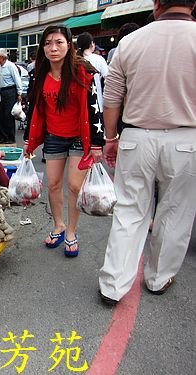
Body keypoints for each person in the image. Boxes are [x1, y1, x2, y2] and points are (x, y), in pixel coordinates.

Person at [98, 0, 196, 305]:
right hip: (187, 139)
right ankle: (157, 278)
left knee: (129, 212)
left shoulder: (131, 41)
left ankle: (112, 285)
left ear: (156, 5)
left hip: (136, 137)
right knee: (175, 213)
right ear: (192, 4)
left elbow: (112, 95)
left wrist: (110, 137)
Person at [24, 25, 105, 257]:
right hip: (53, 138)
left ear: (69, 45)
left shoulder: (83, 72)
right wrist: (29, 142)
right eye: (48, 43)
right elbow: (33, 109)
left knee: (74, 186)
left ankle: (71, 230)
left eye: (59, 42)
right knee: (54, 184)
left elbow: (94, 107)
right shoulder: (37, 74)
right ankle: (58, 225)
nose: (53, 48)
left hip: (80, 138)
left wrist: (98, 143)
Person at [0, 48, 23, 144]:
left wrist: (19, 93)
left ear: (2, 57)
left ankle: (10, 137)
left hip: (10, 91)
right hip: (0, 91)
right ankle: (3, 136)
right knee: (1, 114)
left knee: (8, 115)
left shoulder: (11, 66)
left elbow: (17, 79)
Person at [76, 32, 108, 112]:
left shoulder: (75, 60)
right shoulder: (99, 59)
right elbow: (107, 78)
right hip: (96, 99)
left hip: (78, 100)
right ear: (91, 44)